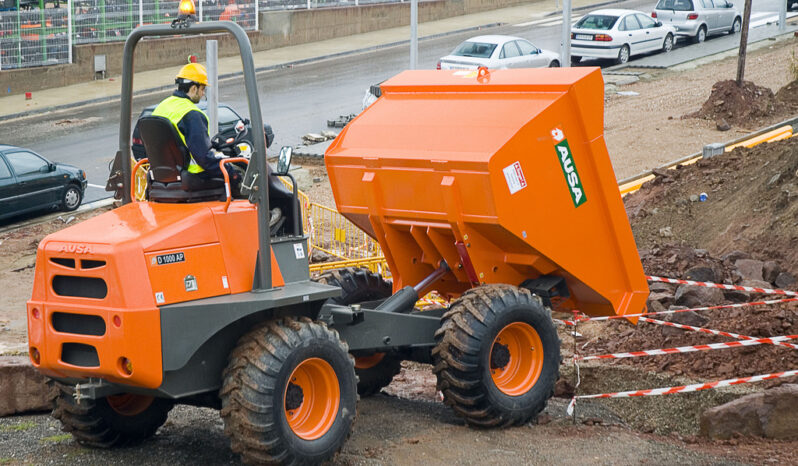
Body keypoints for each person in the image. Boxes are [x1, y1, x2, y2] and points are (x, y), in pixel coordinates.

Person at [151, 62, 243, 195]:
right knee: (234, 174)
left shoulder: (161, 107)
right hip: (193, 177)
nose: (203, 94)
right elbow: (204, 158)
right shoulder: (192, 114)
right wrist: (230, 172)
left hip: (162, 178)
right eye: (202, 89)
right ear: (193, 88)